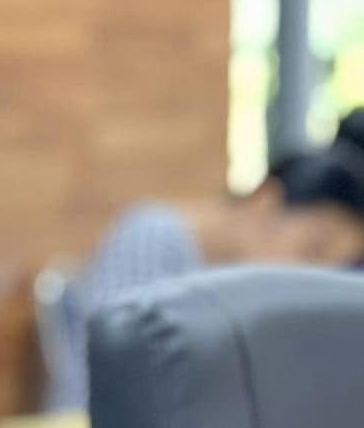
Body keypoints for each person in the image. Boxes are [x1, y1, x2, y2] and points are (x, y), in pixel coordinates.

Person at [44, 116, 364, 410]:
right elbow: (130, 388)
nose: (311, 277)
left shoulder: (226, 279)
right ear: (266, 202)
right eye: (314, 250)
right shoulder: (152, 237)